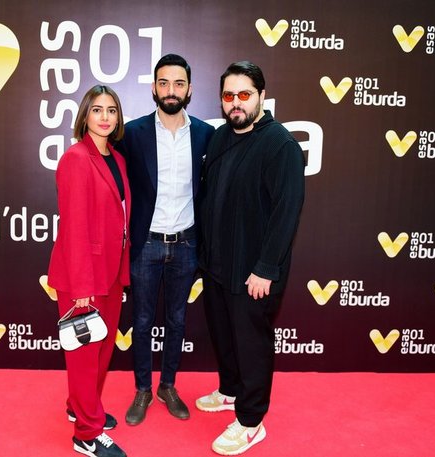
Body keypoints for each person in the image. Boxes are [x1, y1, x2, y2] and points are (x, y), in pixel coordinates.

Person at [196, 61, 305, 455]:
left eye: (244, 94)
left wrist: (266, 268)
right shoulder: (219, 137)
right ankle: (230, 390)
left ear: (261, 96)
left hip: (253, 272)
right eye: (229, 95)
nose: (236, 102)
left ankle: (250, 420)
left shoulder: (281, 145)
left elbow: (286, 212)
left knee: (251, 343)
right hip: (217, 265)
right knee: (223, 335)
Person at [115, 54, 214, 425]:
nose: (171, 90)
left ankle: (167, 385)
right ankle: (143, 388)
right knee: (141, 321)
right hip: (146, 243)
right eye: (164, 83)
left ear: (189, 89)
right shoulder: (133, 133)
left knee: (177, 320)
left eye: (178, 83)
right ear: (154, 88)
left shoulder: (206, 134)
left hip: (186, 243)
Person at [47, 85, 131, 457]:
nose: (105, 116)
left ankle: (80, 407)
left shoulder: (117, 158)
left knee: (100, 351)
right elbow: (74, 227)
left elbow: (121, 220)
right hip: (83, 277)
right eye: (97, 109)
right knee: (84, 356)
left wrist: (121, 273)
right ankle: (86, 434)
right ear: (85, 115)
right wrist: (82, 286)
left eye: (111, 110)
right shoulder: (75, 159)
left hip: (110, 272)